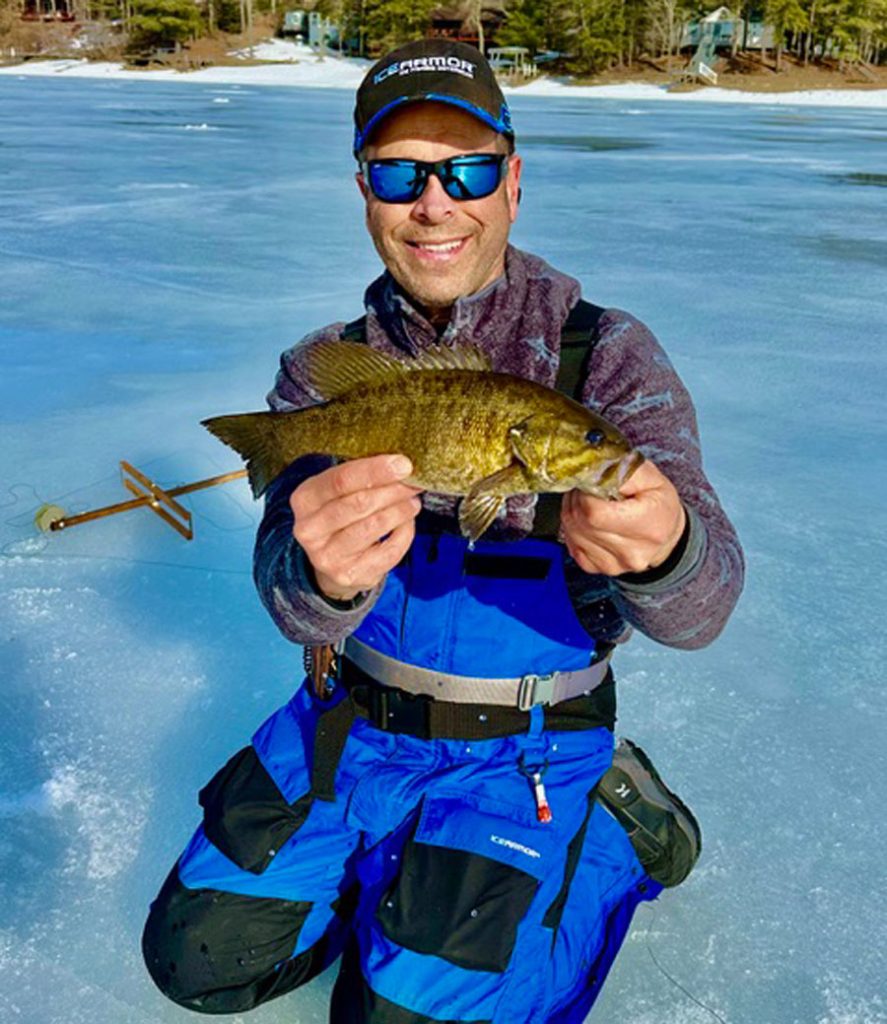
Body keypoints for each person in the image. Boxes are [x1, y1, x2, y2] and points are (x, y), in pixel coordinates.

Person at [142, 38, 744, 1023]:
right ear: (364, 191)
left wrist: (667, 550)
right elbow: (288, 603)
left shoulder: (603, 358)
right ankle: (386, 871)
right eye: (399, 174)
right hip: (348, 728)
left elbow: (703, 608)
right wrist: (321, 581)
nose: (433, 203)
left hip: (524, 751)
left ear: (512, 182)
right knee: (195, 963)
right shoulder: (323, 369)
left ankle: (612, 829)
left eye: (465, 170)